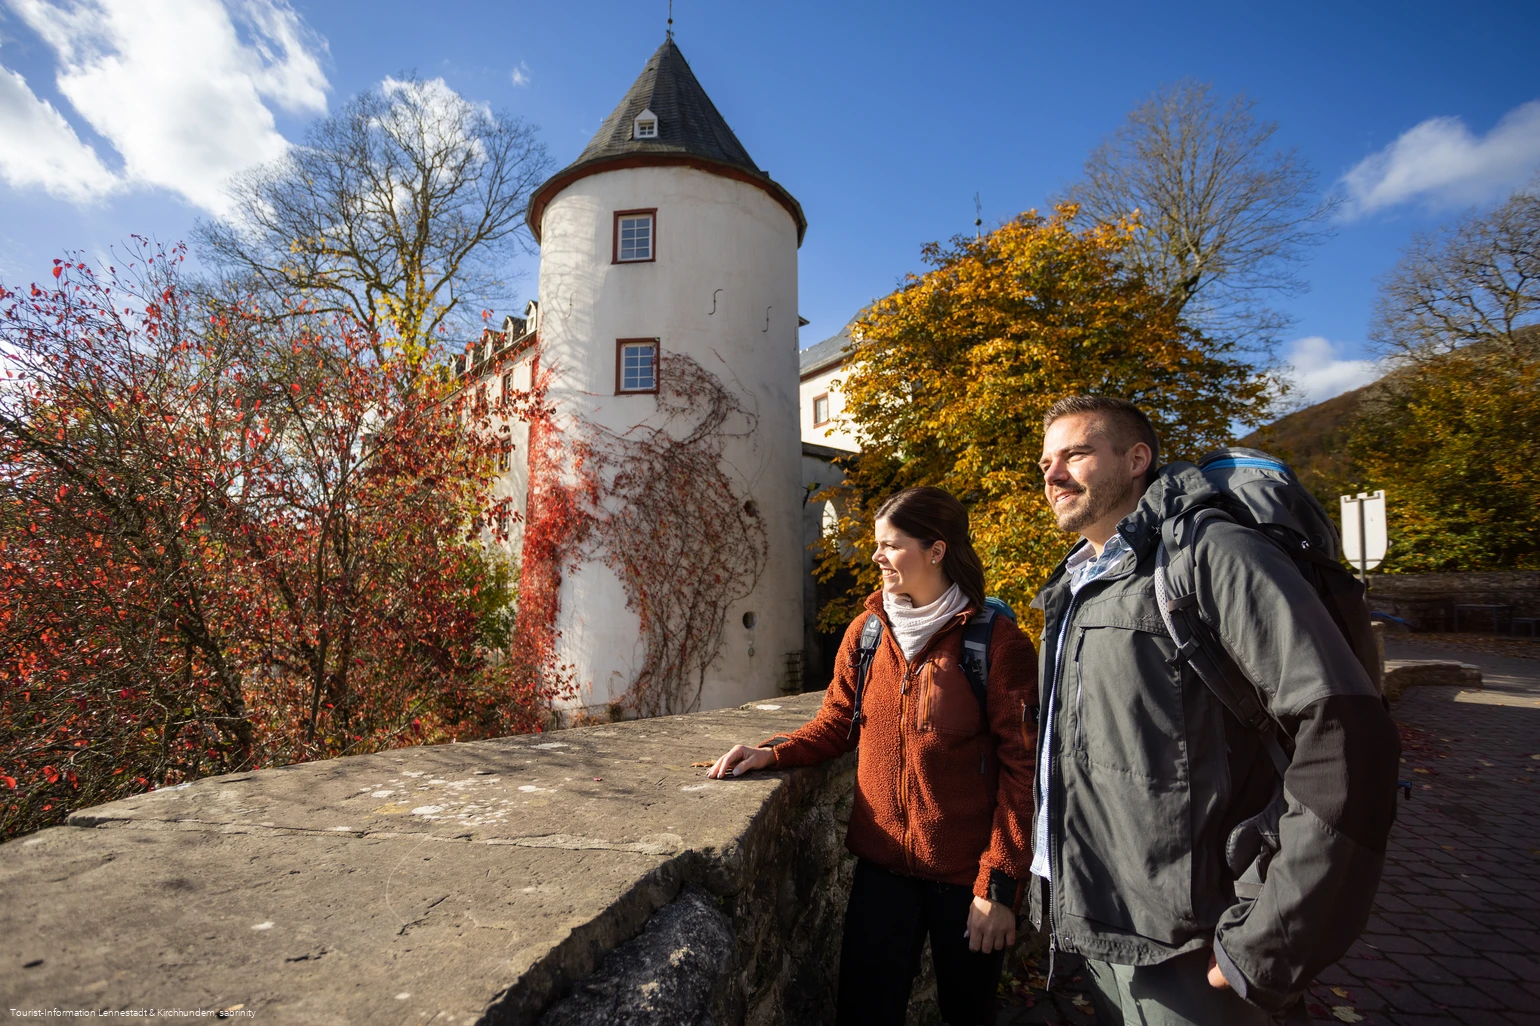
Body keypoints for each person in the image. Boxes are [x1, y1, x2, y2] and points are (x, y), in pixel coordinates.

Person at [1030, 395, 1401, 1025]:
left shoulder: (1210, 552)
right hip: (1099, 921)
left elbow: (1346, 735)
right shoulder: (1080, 583)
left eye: (1077, 453)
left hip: (1196, 937)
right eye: (1045, 462)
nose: (1053, 473)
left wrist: (1268, 939)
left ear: (1136, 458)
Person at [708, 486, 1037, 1026]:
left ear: (937, 550)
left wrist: (998, 886)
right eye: (877, 545)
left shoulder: (995, 643)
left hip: (968, 880)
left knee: (969, 1014)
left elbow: (1023, 772)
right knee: (862, 1012)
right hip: (882, 869)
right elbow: (837, 722)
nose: (877, 557)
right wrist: (773, 753)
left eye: (890, 545)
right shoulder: (866, 632)